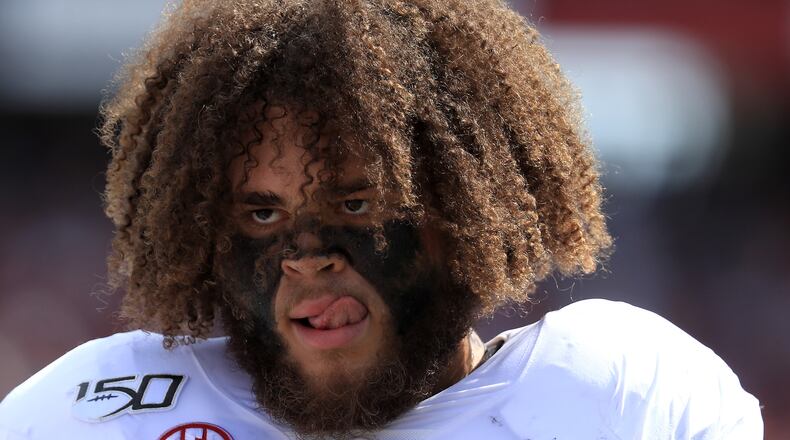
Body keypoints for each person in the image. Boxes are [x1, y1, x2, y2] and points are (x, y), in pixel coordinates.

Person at [0, 0, 762, 438]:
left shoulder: (623, 395)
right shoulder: (97, 410)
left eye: (355, 204)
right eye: (261, 212)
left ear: (470, 209)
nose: (306, 256)